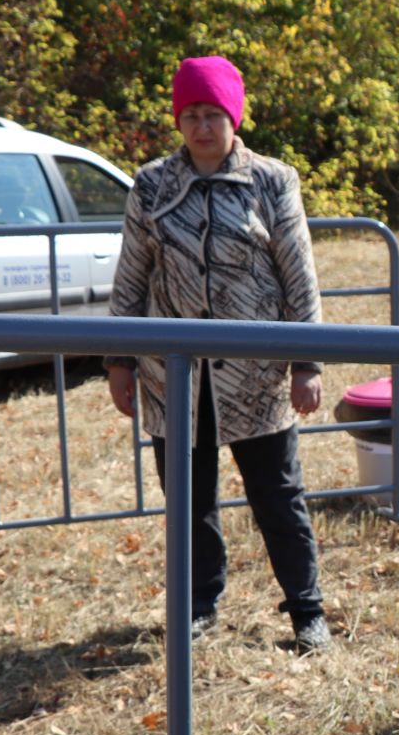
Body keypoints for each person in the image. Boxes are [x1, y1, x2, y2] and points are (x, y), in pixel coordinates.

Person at [106, 54, 331, 653]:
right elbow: (131, 277)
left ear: (234, 117)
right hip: (172, 377)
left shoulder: (273, 180)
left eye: (213, 113)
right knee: (188, 502)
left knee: (279, 500)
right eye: (191, 114)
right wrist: (119, 361)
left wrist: (307, 363)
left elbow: (298, 276)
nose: (202, 126)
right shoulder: (152, 184)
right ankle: (199, 606)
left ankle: (307, 612)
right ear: (179, 121)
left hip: (256, 376)